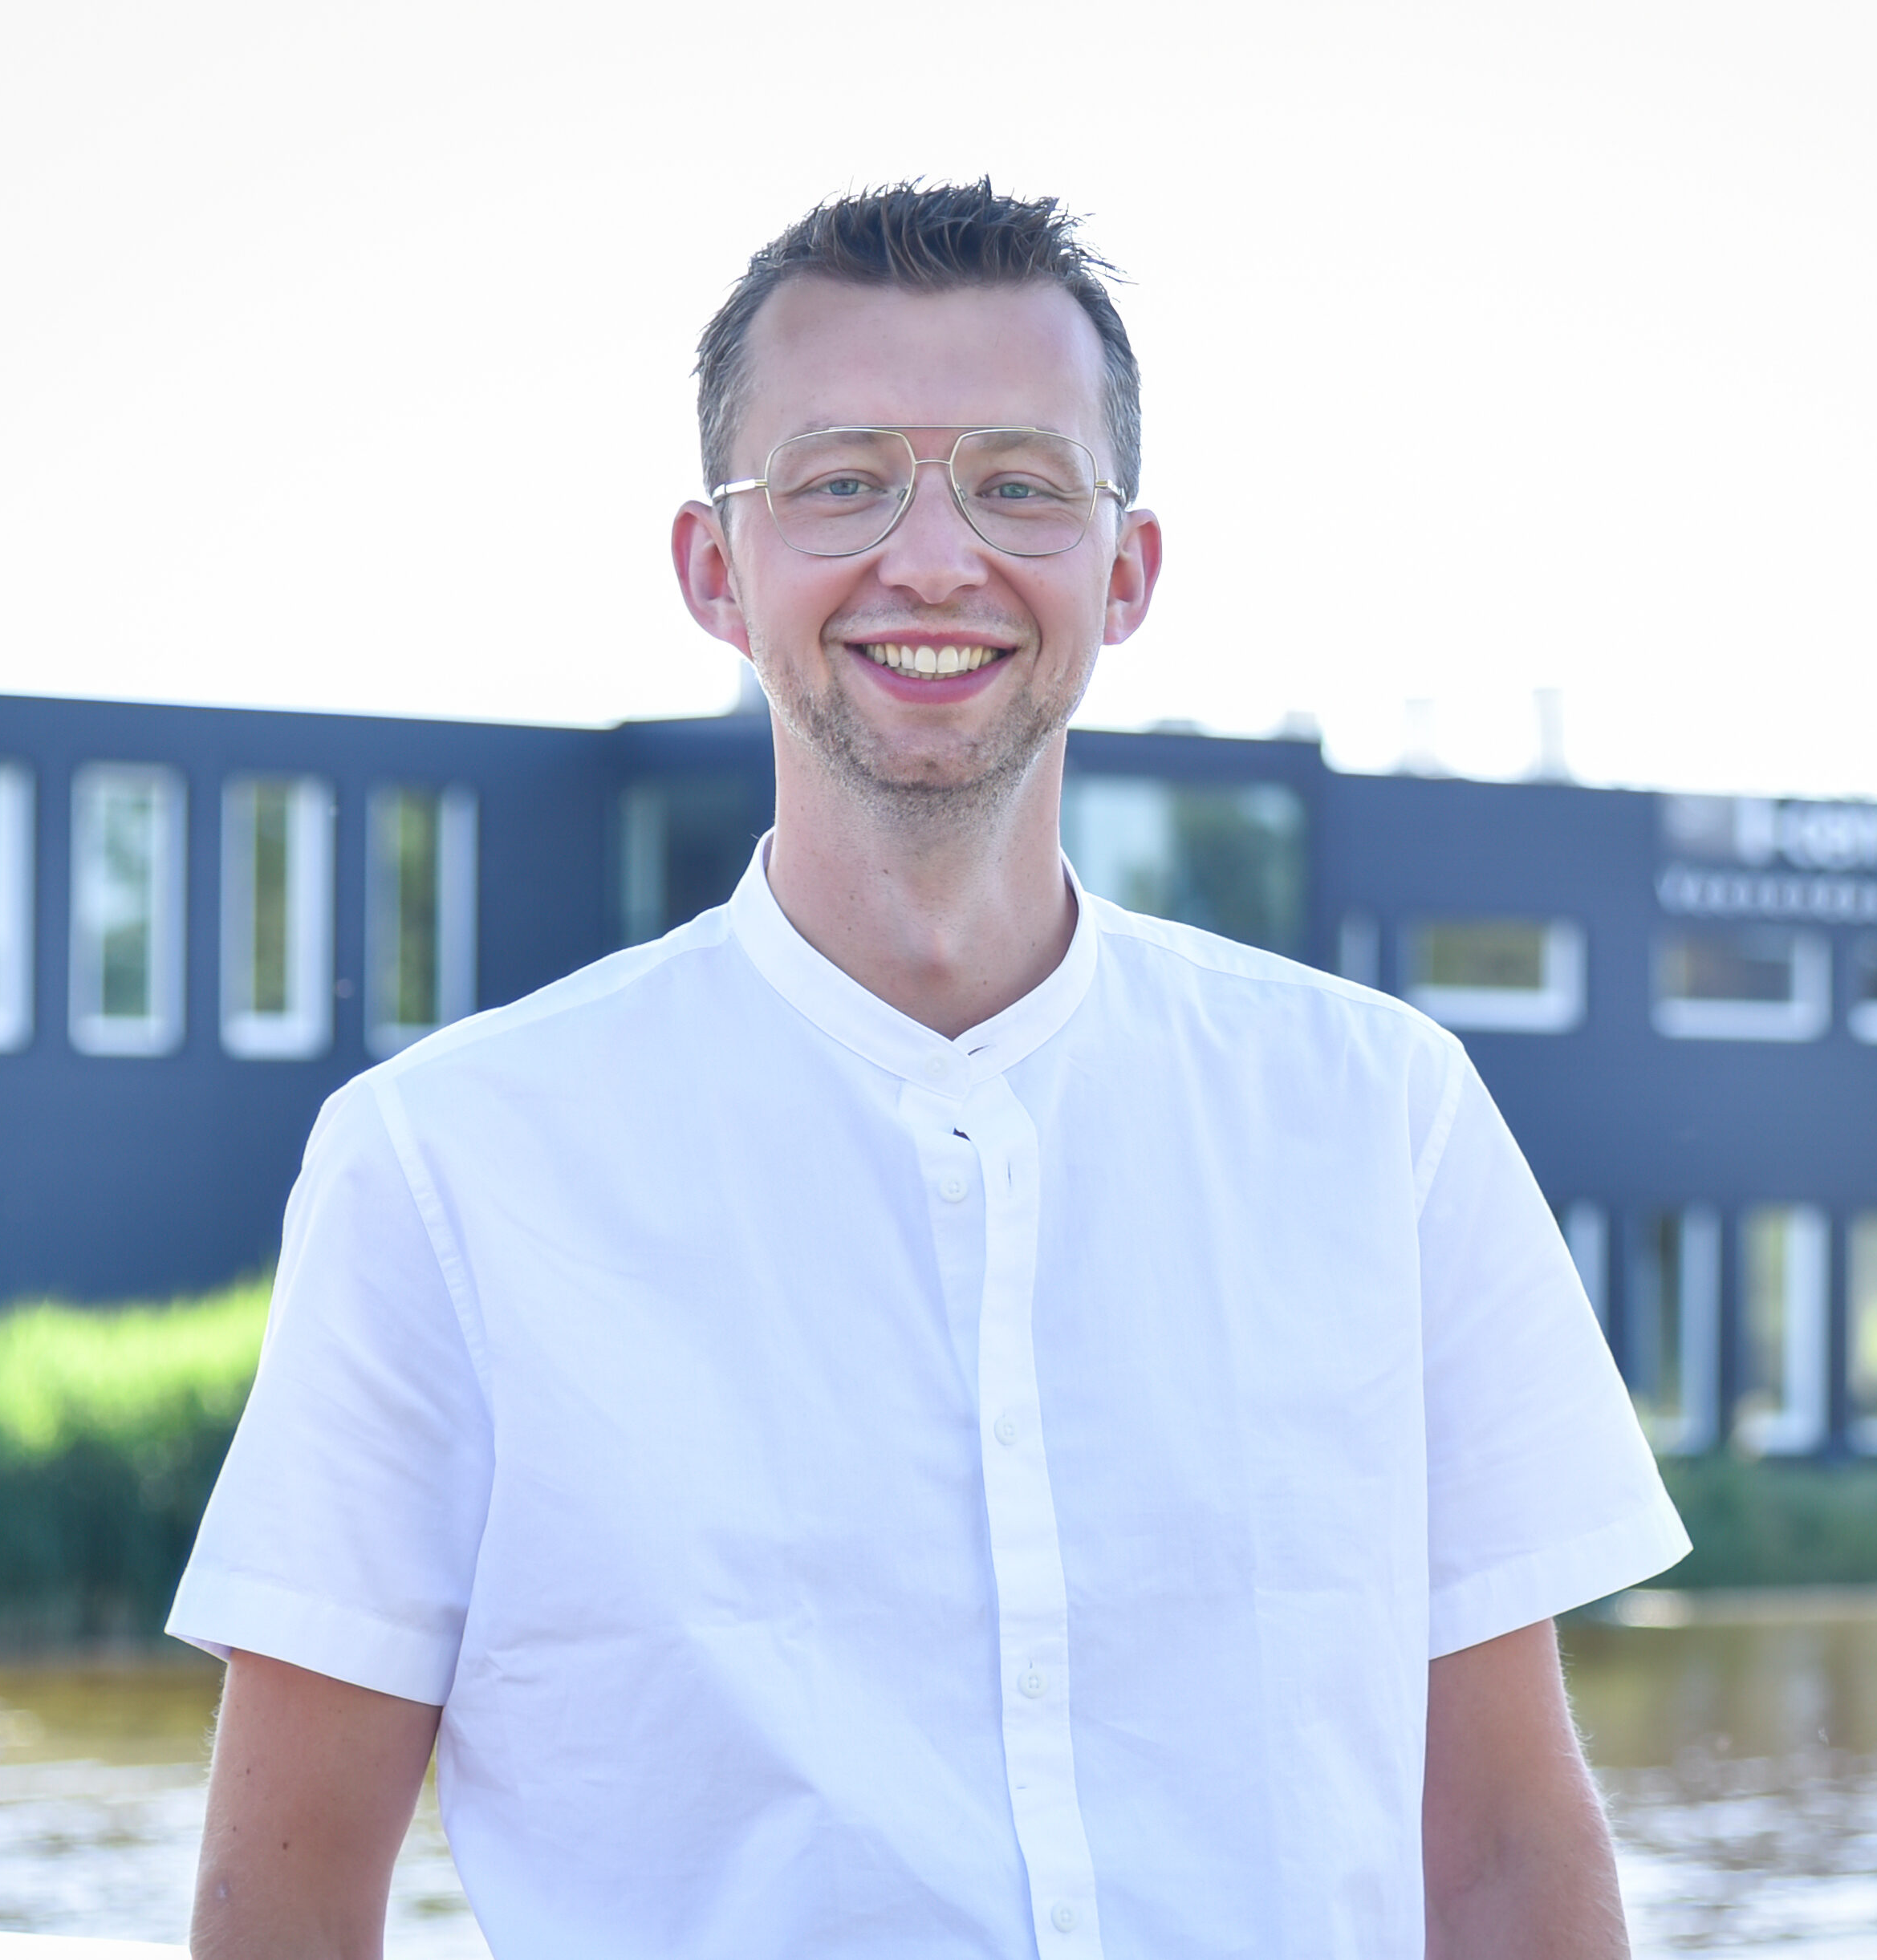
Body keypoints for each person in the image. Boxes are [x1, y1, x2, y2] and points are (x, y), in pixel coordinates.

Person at [171, 181, 1689, 1960]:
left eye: (1019, 484)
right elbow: (284, 1907)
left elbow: (1505, 1855)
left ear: (1125, 570)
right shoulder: (445, 1169)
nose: (936, 558)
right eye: (841, 482)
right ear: (712, 570)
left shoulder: (1384, 1124)